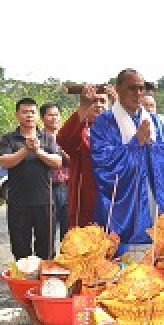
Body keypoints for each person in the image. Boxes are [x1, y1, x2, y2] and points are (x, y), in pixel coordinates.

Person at [90, 69, 164, 256]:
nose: (138, 93)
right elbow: (102, 160)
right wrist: (135, 144)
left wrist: (151, 147)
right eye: (132, 88)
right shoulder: (104, 123)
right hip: (123, 205)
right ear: (118, 89)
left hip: (153, 197)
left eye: (141, 88)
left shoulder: (155, 121)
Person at [0, 98, 62, 260]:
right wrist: (25, 150)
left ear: (37, 116)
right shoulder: (9, 139)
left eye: (32, 112)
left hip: (45, 202)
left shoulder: (47, 138)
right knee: (21, 250)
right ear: (17, 115)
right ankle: (23, 277)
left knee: (46, 250)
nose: (29, 115)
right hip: (18, 202)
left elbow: (57, 162)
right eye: (25, 112)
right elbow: (4, 162)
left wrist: (38, 151)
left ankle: (44, 276)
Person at [56, 85, 114, 228]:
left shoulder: (117, 130)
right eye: (93, 101)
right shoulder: (81, 130)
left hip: (114, 199)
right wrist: (83, 106)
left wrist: (120, 106)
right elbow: (64, 140)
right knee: (85, 240)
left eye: (102, 101)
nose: (98, 105)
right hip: (86, 201)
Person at [40, 103, 69, 244]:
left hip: (68, 186)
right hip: (48, 188)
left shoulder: (67, 136)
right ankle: (48, 256)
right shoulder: (38, 139)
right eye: (50, 115)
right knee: (47, 230)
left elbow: (73, 160)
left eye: (56, 115)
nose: (54, 118)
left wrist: (61, 149)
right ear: (42, 118)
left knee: (68, 231)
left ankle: (67, 256)